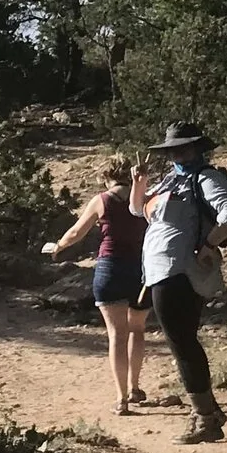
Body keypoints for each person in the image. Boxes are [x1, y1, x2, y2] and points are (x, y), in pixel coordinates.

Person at [132, 121, 227, 444]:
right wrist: (139, 184)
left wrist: (210, 244)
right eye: (173, 150)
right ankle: (208, 412)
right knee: (182, 342)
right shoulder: (171, 178)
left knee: (182, 343)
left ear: (197, 148)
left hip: (179, 272)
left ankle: (205, 418)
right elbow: (138, 210)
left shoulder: (205, 178)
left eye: (184, 148)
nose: (178, 154)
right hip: (159, 272)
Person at [42, 157, 150, 414]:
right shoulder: (144, 197)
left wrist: (58, 247)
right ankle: (135, 388)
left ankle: (121, 398)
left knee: (116, 334)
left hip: (110, 268)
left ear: (106, 177)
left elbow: (76, 232)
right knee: (137, 329)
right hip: (142, 268)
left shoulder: (102, 200)